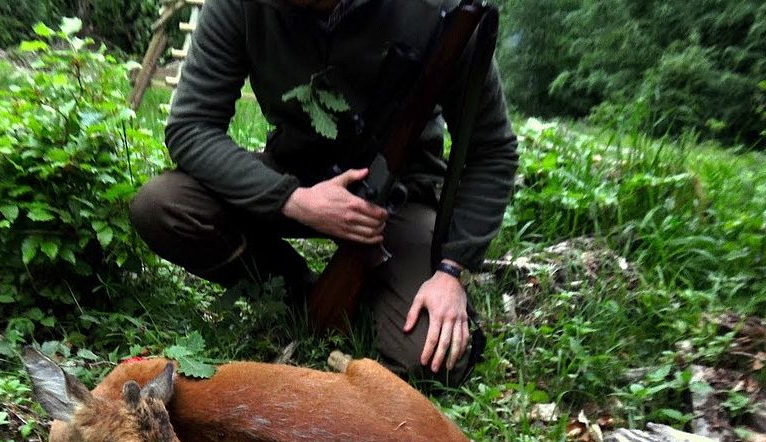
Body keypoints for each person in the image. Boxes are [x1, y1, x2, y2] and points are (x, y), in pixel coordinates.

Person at [129, 0, 518, 385]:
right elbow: (191, 127)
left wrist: (452, 270)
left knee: (430, 359)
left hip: (398, 201)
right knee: (163, 206)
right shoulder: (239, 6)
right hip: (295, 176)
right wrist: (294, 199)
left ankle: (370, 293)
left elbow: (493, 150)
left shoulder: (442, 11)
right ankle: (298, 294)